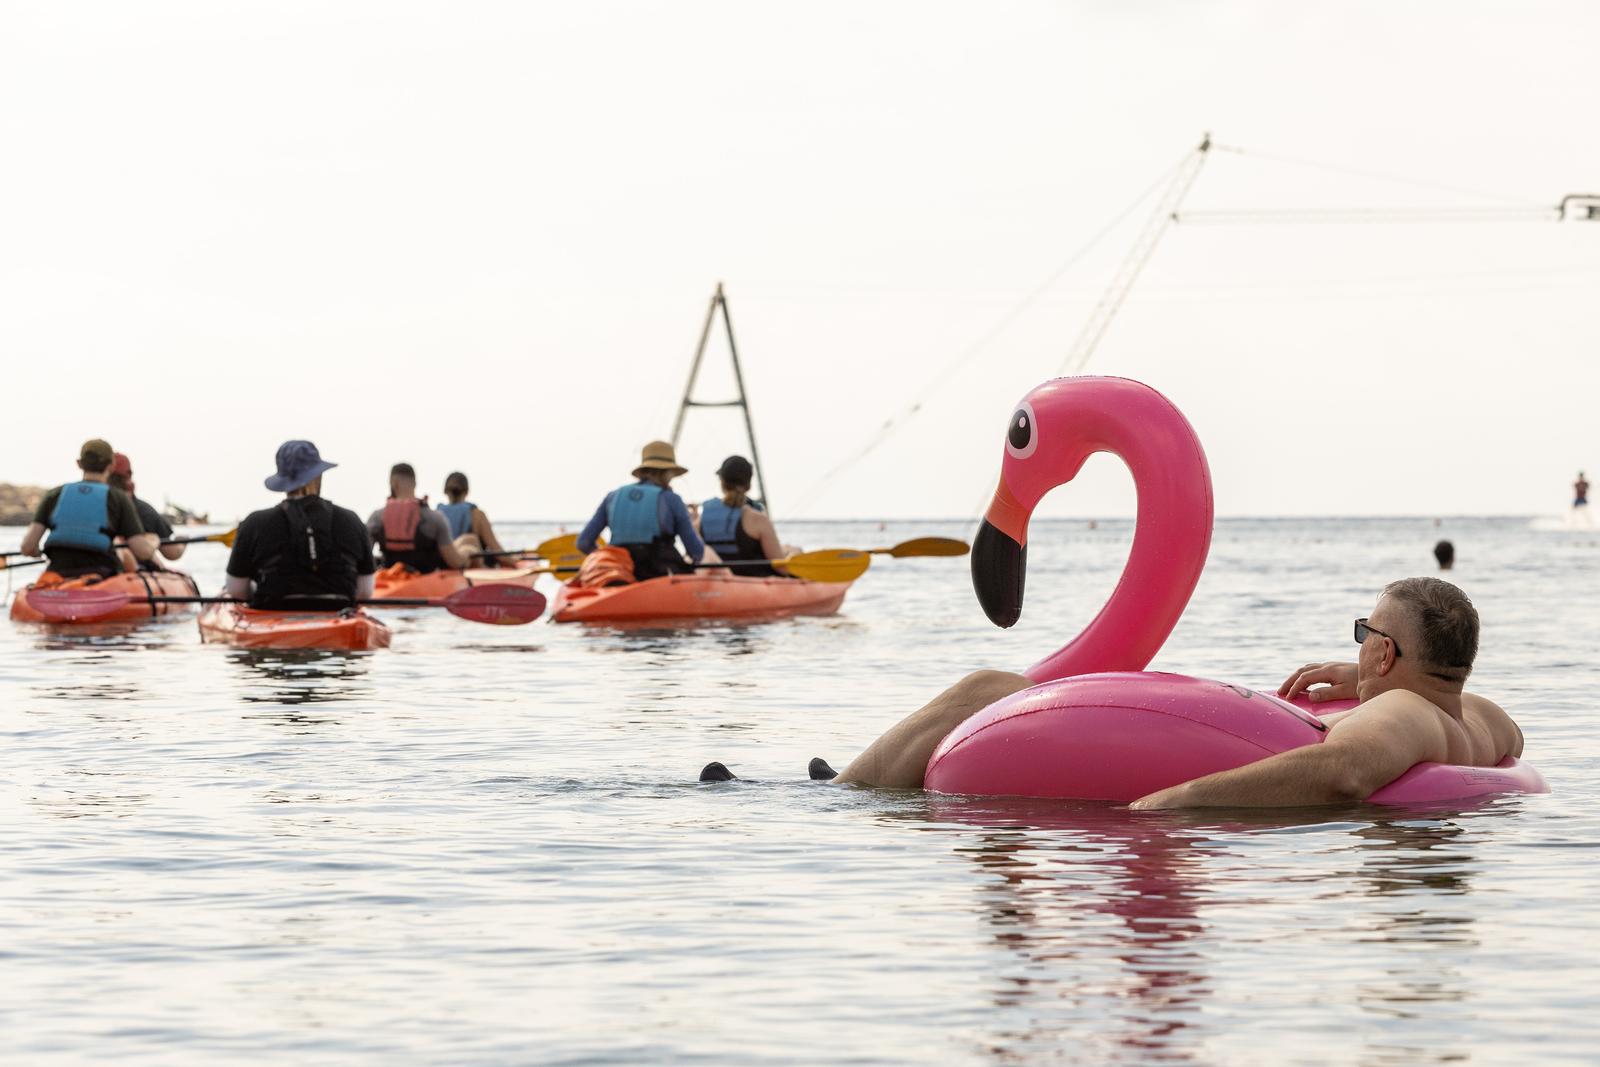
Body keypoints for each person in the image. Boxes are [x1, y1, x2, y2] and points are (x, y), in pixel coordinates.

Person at [739, 578, 1524, 809]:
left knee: (992, 687)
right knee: (997, 689)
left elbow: (1342, 772)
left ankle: (842, 795)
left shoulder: (1392, 716)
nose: (1357, 646)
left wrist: (1171, 801)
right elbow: (1496, 731)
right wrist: (1361, 675)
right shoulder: (1476, 718)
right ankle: (844, 783)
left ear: (1388, 651)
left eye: (1364, 633)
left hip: (1203, 817)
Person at [223, 440, 376, 609]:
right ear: (318, 475)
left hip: (272, 613)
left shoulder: (254, 523)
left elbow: (236, 591)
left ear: (281, 478)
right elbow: (365, 592)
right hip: (339, 613)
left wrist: (255, 590)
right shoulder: (351, 520)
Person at [19, 439, 158, 579]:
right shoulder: (118, 498)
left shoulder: (54, 494)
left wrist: (37, 553)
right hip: (102, 575)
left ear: (79, 464)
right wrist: (154, 542)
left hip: (58, 573)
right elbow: (142, 552)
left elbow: (27, 547)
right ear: (111, 466)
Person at [577, 441, 706, 581]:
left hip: (619, 573)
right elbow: (696, 552)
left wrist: (607, 559)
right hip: (658, 573)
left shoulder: (612, 497)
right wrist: (694, 525)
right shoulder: (671, 499)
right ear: (667, 473)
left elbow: (583, 543)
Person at [367, 463, 473, 574]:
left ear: (393, 483)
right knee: (469, 544)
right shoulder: (435, 518)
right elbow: (454, 562)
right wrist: (467, 556)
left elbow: (364, 558)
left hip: (390, 580)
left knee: (467, 540)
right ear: (415, 484)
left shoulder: (376, 518)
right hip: (428, 583)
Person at [696, 455, 790, 578]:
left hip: (717, 584)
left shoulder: (703, 517)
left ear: (722, 482)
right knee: (792, 550)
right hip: (754, 584)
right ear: (748, 484)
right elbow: (781, 567)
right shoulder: (758, 519)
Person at [107, 452, 185, 567]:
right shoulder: (144, 510)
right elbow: (172, 553)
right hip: (133, 571)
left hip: (99, 568)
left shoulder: (92, 504)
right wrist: (181, 541)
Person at [437, 471, 510, 564]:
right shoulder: (476, 514)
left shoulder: (436, 514)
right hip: (471, 567)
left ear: (445, 491)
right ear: (467, 491)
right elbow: (496, 550)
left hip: (444, 566)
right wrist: (515, 561)